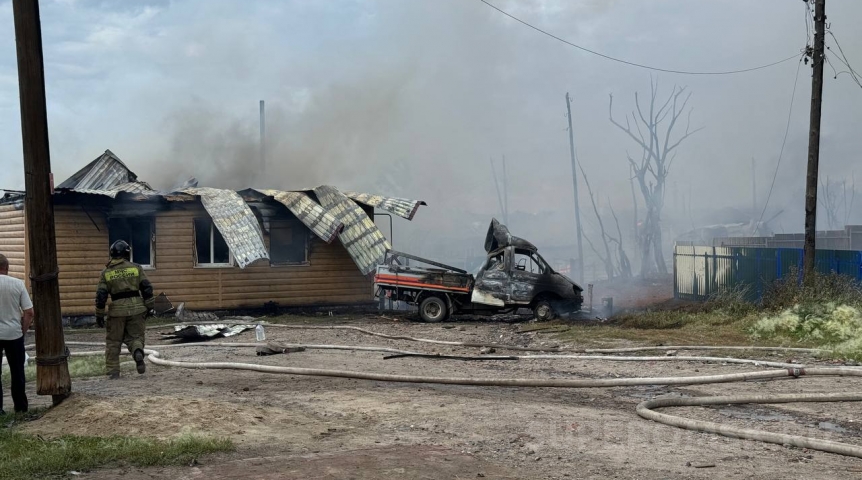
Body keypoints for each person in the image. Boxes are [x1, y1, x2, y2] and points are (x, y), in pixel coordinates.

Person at [95, 240, 154, 379]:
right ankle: (138, 351)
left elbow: (101, 295)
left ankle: (113, 372)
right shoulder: (136, 268)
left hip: (117, 311)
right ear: (127, 253)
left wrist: (99, 314)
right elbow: (146, 287)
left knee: (113, 342)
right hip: (137, 309)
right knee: (136, 337)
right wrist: (150, 307)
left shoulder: (106, 272)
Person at [0, 253, 33, 415]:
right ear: (7, 267)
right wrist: (23, 330)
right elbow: (29, 312)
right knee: (17, 371)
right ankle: (20, 406)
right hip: (14, 334)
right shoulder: (18, 284)